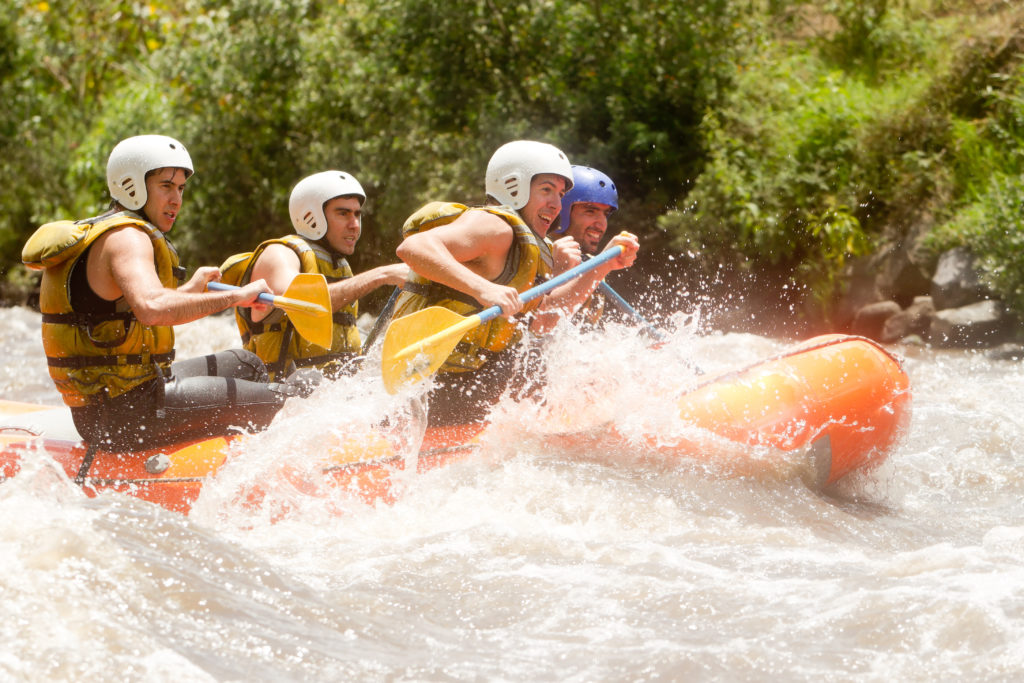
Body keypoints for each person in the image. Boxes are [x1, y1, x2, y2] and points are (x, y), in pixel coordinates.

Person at [22, 134, 316, 457]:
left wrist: (193, 290)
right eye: (166, 186)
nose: (176, 199)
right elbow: (152, 308)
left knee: (248, 364)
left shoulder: (113, 232)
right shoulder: (127, 239)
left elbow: (136, 312)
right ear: (132, 185)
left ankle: (236, 440)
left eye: (180, 188)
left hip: (116, 406)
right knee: (295, 392)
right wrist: (236, 296)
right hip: (125, 416)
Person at [385, 140, 639, 426]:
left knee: (549, 361)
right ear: (513, 186)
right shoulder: (495, 226)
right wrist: (483, 289)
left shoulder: (528, 247)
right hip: (427, 389)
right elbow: (415, 247)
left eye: (560, 193)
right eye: (546, 190)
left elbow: (544, 318)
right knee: (538, 364)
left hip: (463, 383)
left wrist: (603, 265)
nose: (556, 204)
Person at [220, 171, 407, 380]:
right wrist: (382, 275)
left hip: (329, 397)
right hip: (278, 395)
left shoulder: (339, 266)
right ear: (311, 216)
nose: (355, 224)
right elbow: (301, 303)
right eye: (343, 213)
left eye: (357, 214)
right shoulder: (280, 254)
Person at [548, 165, 621, 327]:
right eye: (590, 211)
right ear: (562, 212)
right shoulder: (531, 253)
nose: (601, 224)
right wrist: (558, 272)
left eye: (606, 214)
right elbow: (538, 328)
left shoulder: (591, 264)